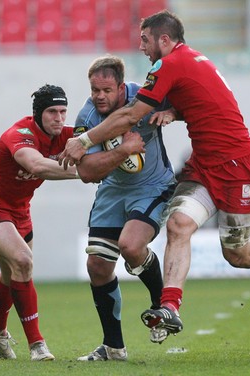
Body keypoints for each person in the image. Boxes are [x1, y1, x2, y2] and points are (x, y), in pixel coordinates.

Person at [58, 9, 250, 343]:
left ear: (164, 40)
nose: (142, 47)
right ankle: (169, 308)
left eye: (145, 40)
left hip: (239, 166)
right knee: (178, 225)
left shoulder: (169, 65)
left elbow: (130, 116)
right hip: (203, 166)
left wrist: (82, 140)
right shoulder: (191, 61)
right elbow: (202, 100)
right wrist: (174, 111)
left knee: (238, 253)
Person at [0, 84, 79, 360]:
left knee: (12, 273)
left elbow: (100, 136)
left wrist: (128, 142)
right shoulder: (20, 134)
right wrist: (85, 172)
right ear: (38, 114)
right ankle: (37, 344)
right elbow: (37, 166)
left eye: (63, 111)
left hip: (19, 213)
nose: (59, 118)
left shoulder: (66, 136)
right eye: (52, 112)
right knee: (24, 262)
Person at [73, 55, 177, 360]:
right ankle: (113, 347)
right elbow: (88, 172)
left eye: (106, 90)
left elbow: (187, 101)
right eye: (94, 90)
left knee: (131, 246)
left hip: (152, 187)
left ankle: (163, 307)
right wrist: (124, 149)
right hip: (112, 192)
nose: (99, 96)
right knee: (98, 267)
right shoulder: (88, 116)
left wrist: (172, 111)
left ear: (121, 88)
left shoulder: (145, 95)